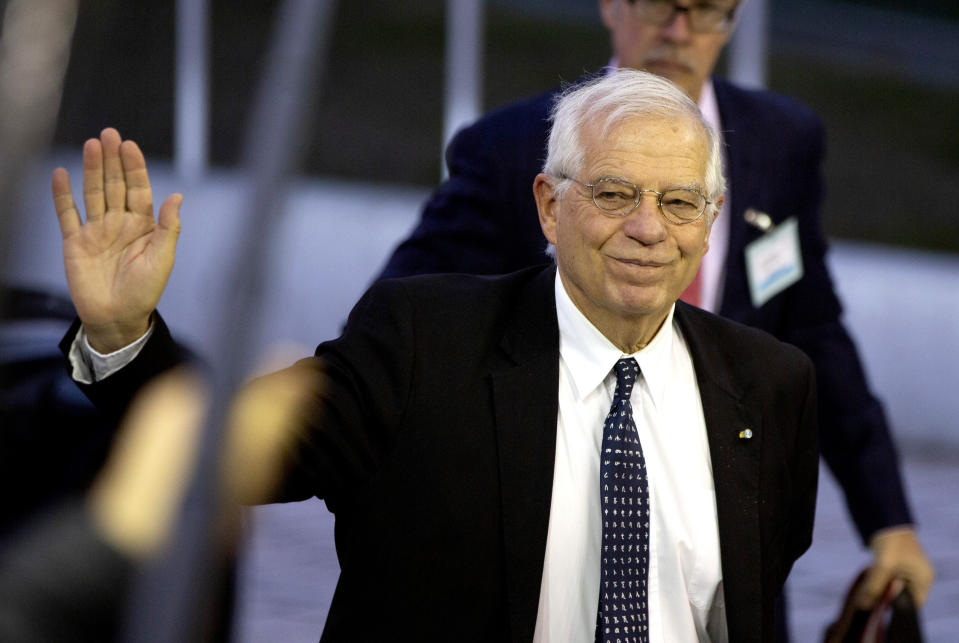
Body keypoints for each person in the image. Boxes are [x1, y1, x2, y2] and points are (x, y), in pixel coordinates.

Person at [55, 71, 816, 642]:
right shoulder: (424, 341)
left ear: (709, 222)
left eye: (679, 202)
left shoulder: (769, 383)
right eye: (615, 194)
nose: (649, 228)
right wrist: (125, 335)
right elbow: (226, 454)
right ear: (549, 205)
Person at [376, 0, 934, 618]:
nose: (678, 32)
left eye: (707, 12)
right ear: (612, 6)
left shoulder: (781, 143)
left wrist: (889, 520)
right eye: (661, 5)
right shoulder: (512, 146)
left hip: (725, 538)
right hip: (547, 536)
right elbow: (402, 319)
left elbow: (814, 331)